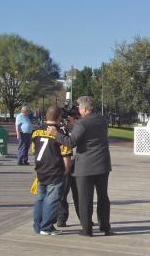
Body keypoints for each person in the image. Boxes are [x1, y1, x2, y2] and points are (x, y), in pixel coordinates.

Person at [47, 96, 113, 237]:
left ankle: (87, 229)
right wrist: (76, 124)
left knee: (85, 198)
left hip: (85, 166)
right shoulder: (102, 120)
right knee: (103, 197)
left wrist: (56, 134)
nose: (78, 110)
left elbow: (71, 142)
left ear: (83, 109)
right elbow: (89, 132)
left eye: (79, 108)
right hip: (103, 164)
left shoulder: (81, 124)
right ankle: (105, 227)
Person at [32, 106, 70, 235]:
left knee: (40, 198)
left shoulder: (36, 131)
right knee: (52, 199)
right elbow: (66, 155)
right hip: (55, 169)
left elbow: (33, 150)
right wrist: (66, 171)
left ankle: (37, 225)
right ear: (59, 117)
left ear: (46, 116)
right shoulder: (60, 133)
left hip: (40, 169)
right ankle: (46, 227)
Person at [56, 106, 81, 227]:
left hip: (78, 164)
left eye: (70, 118)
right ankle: (61, 219)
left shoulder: (81, 128)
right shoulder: (63, 130)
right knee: (62, 195)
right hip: (65, 164)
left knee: (79, 195)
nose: (67, 120)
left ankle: (84, 219)